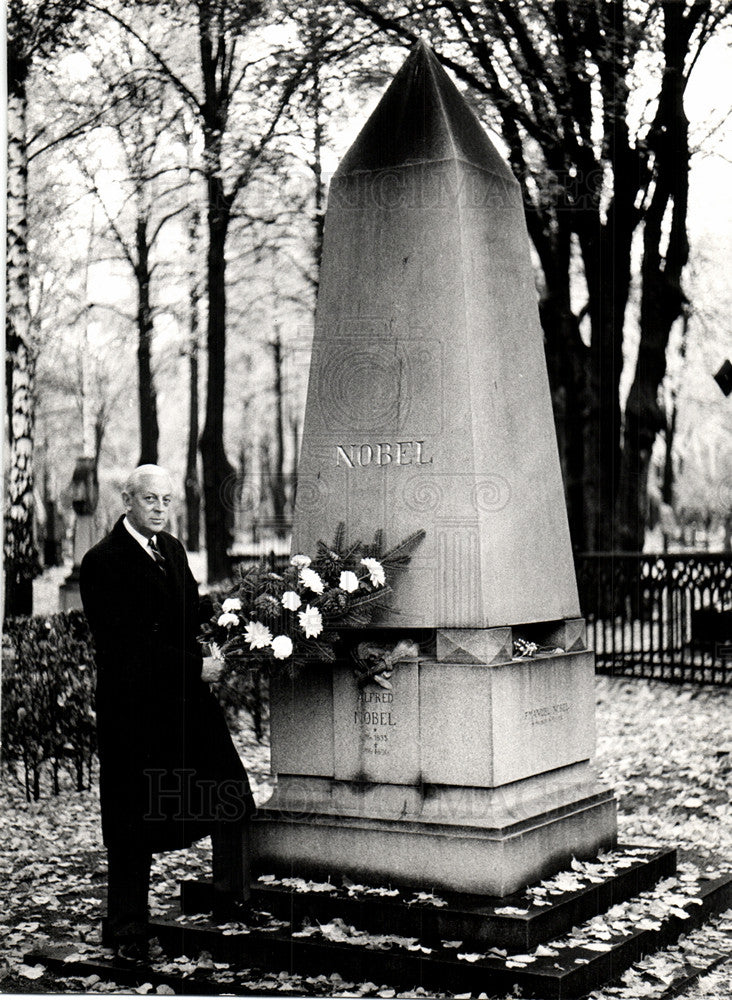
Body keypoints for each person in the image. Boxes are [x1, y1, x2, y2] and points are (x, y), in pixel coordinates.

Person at [80, 465, 255, 963]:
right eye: (150, 499)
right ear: (128, 502)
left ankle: (231, 899)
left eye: (166, 500)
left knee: (230, 791)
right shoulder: (103, 562)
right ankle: (126, 927)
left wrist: (241, 616)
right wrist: (196, 667)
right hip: (135, 709)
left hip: (184, 704)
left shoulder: (173, 550)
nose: (159, 508)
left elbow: (191, 611)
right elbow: (126, 647)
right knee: (133, 819)